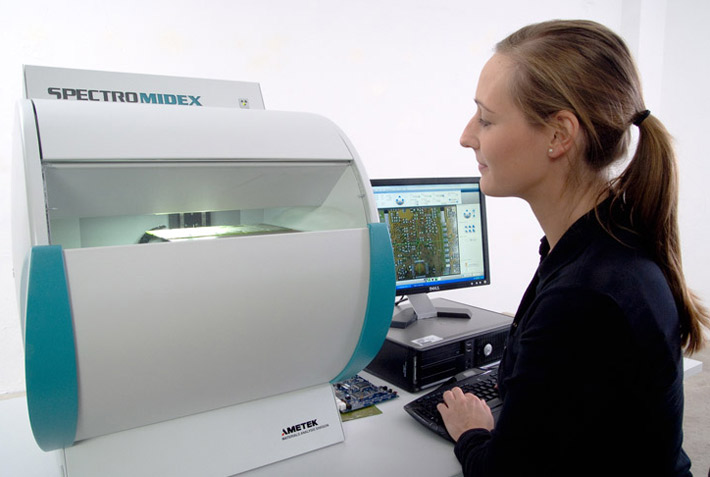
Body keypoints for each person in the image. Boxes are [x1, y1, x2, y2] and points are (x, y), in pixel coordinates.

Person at [437, 19, 710, 476]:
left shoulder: (585, 297)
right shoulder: (607, 242)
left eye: (486, 119)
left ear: (559, 135)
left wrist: (471, 432)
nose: (467, 136)